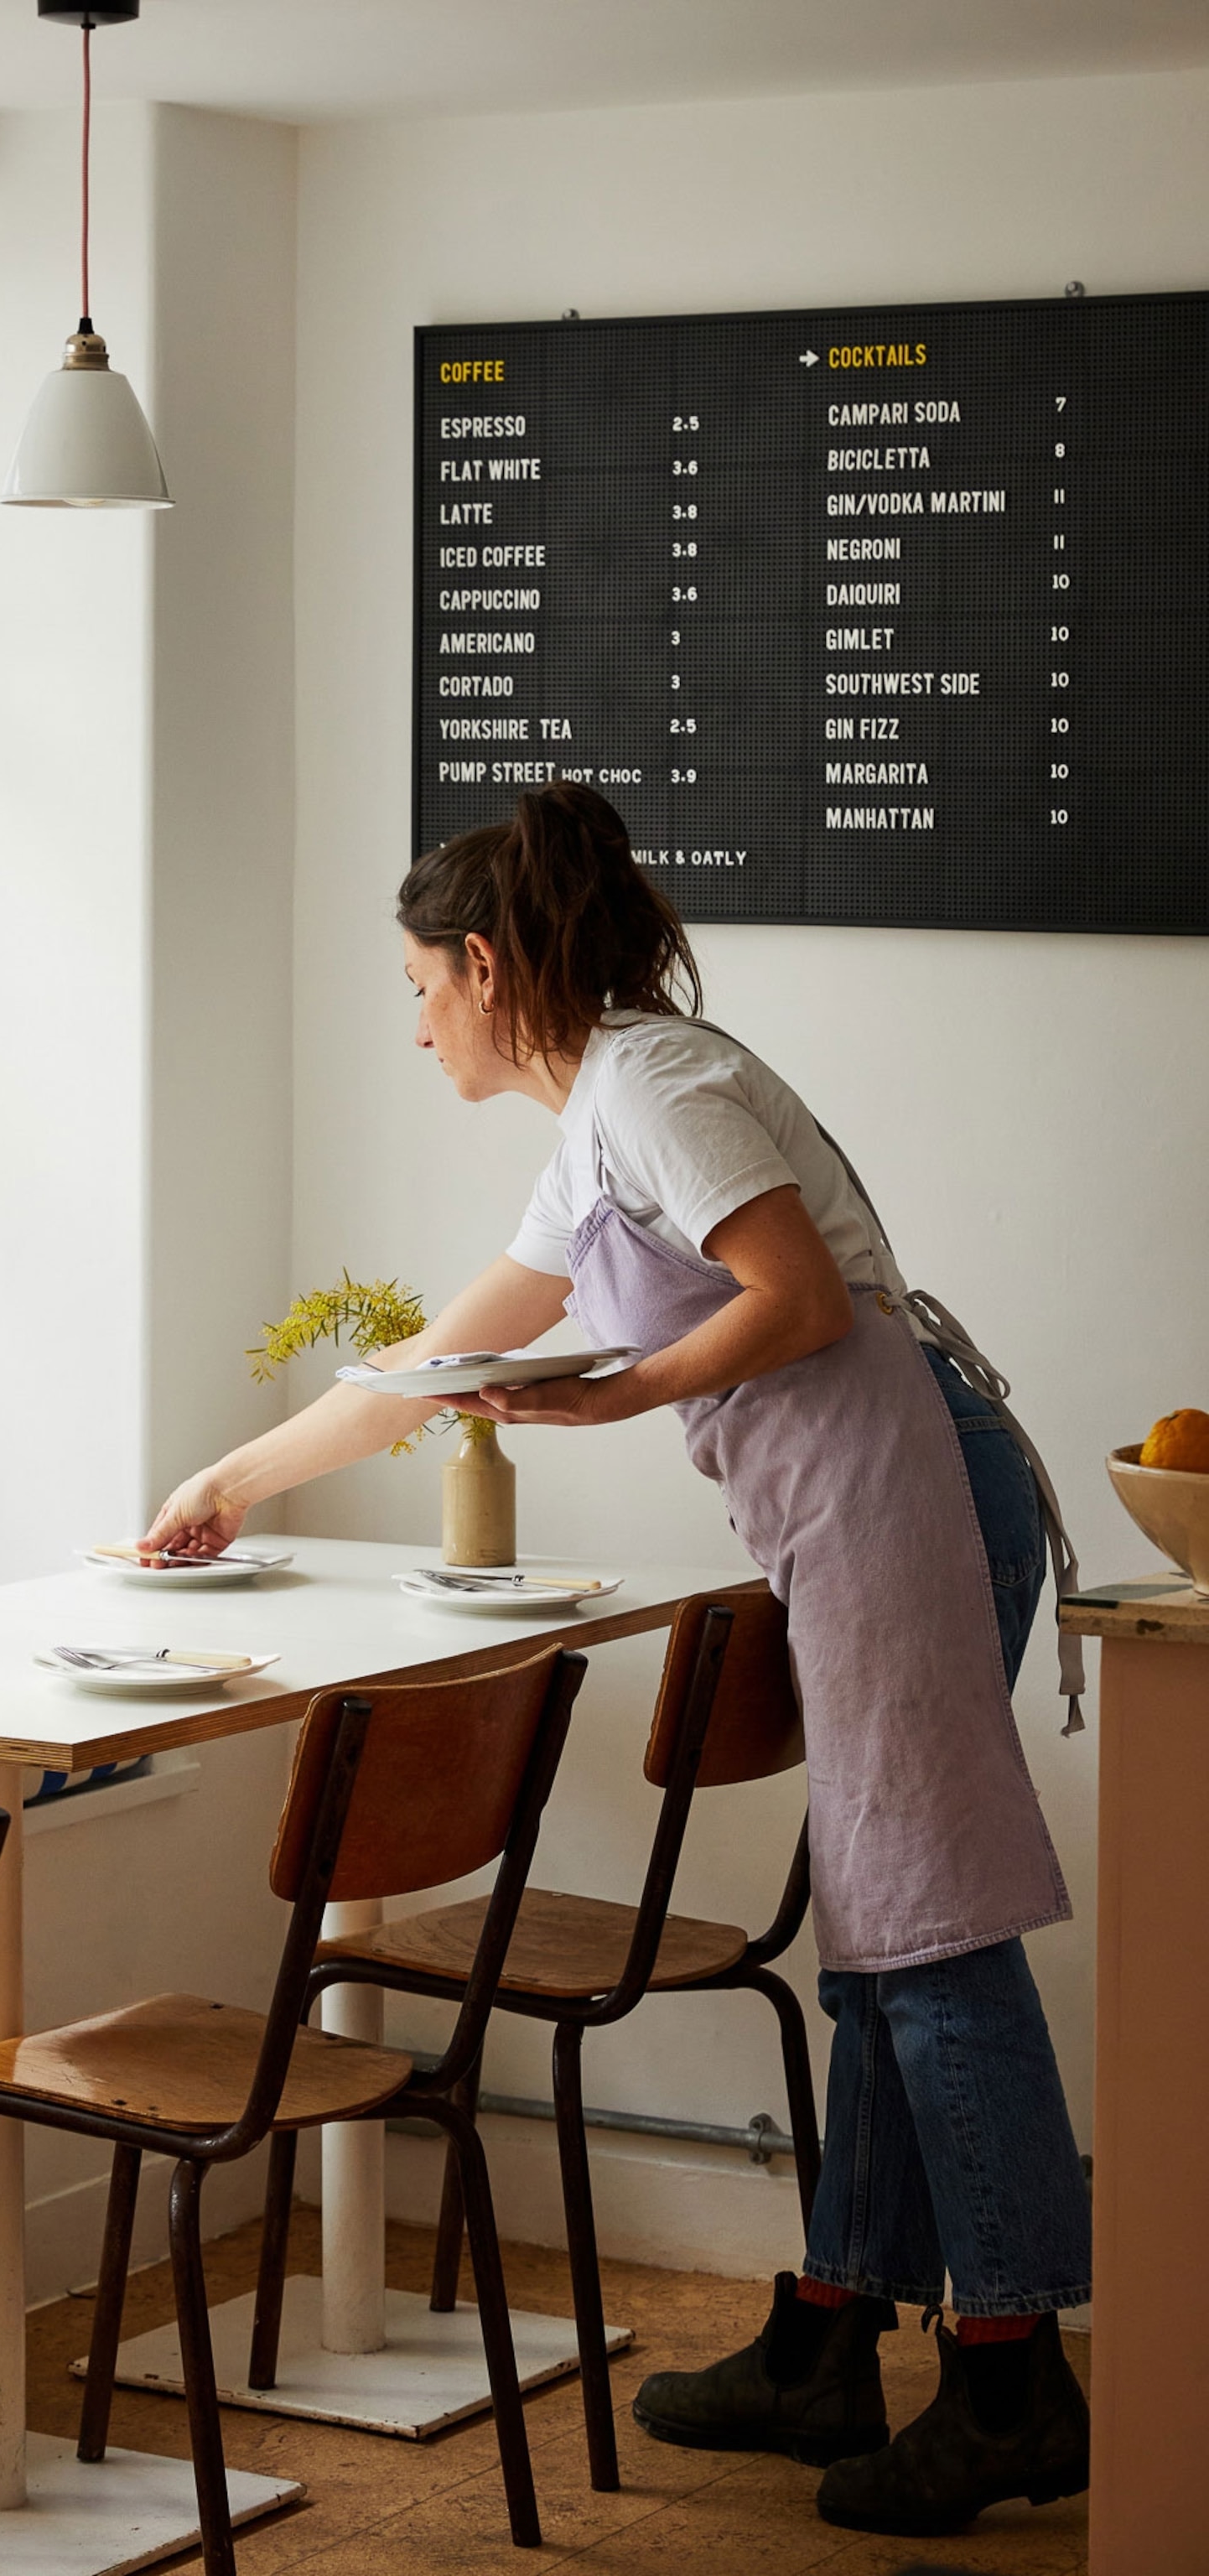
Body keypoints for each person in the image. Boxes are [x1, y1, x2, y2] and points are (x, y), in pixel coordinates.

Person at [143, 781, 1092, 2539]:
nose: (412, 1019)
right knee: (883, 1938)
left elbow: (796, 1303)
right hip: (868, 1507)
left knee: (935, 1935)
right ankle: (829, 2331)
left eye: (419, 986)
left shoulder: (659, 1088)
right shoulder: (600, 1118)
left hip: (903, 1496)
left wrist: (617, 1386)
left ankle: (1015, 2378)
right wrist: (231, 1479)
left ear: (487, 968)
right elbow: (434, 1355)